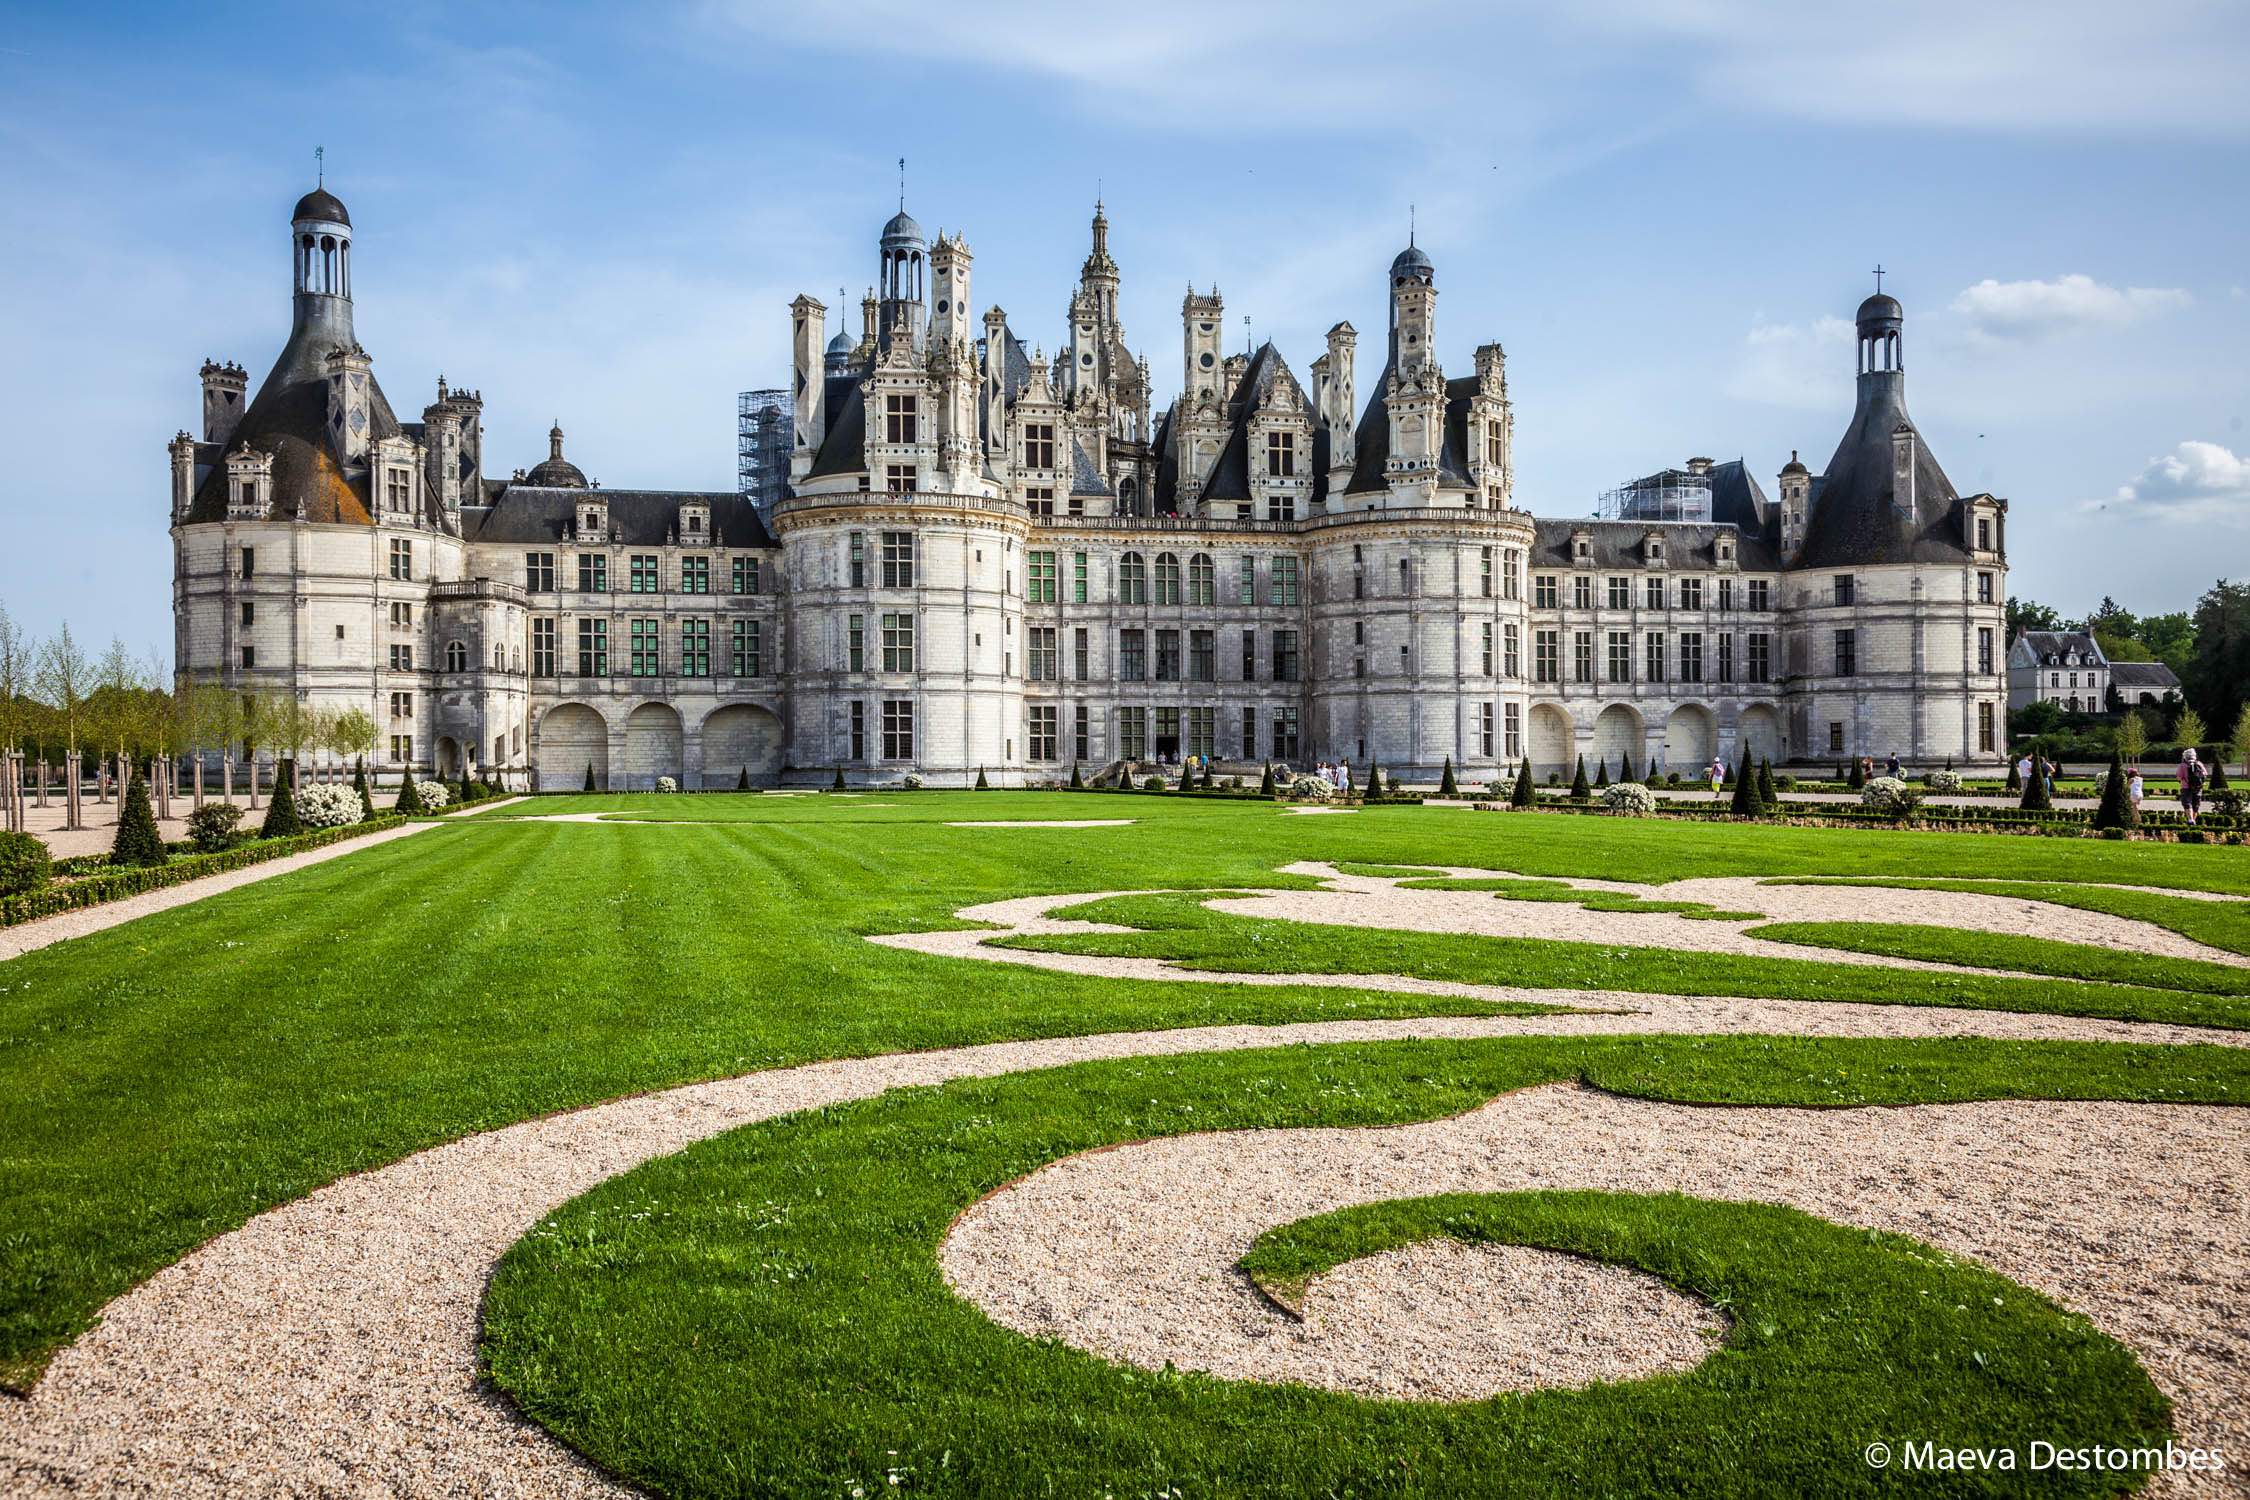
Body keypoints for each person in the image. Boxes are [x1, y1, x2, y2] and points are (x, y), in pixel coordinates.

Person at [2178, 748, 2206, 825]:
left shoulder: (2182, 765)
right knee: (2196, 804)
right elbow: (2205, 774)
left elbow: (2179, 777)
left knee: (2187, 803)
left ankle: (2190, 820)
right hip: (2198, 787)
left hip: (2186, 787)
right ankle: (2194, 820)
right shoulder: (2199, 764)